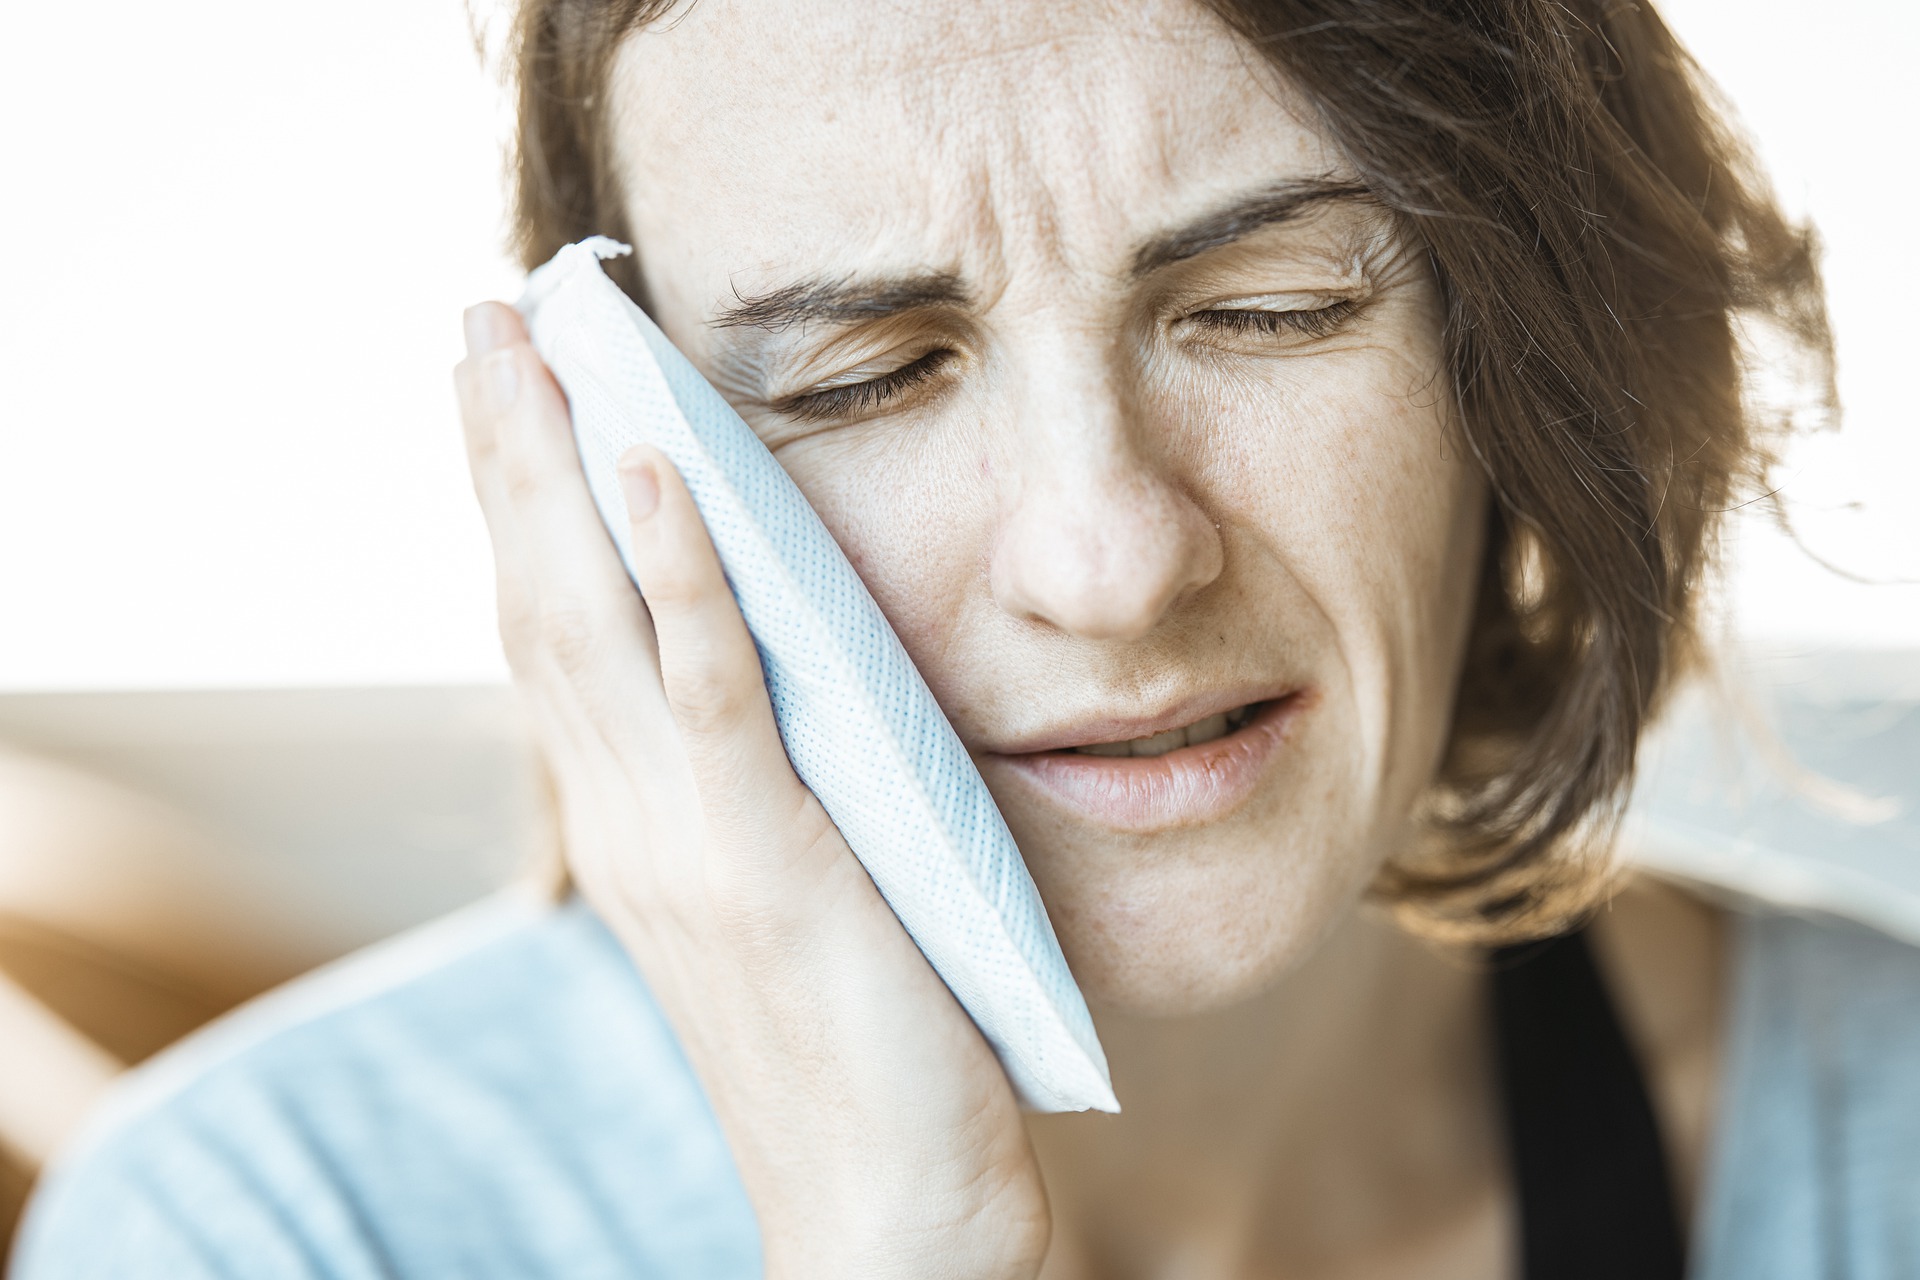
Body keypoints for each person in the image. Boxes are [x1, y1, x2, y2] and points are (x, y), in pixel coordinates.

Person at [14, 0, 1920, 1276]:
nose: (1110, 559)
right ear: (622, 461)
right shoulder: (277, 1232)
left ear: (1524, 359)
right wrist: (894, 1235)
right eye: (867, 376)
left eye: (1266, 309)